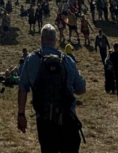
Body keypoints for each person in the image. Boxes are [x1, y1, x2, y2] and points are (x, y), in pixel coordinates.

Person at [17, 23, 86, 153]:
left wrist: (21, 114)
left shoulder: (32, 59)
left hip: (45, 121)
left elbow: (23, 88)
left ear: (41, 39)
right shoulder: (67, 60)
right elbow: (81, 89)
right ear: (56, 40)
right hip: (67, 118)